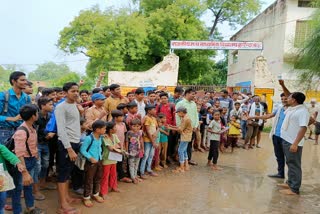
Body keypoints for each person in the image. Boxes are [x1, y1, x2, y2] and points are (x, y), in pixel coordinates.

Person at [12, 104, 45, 214]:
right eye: (37, 113)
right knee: (18, 188)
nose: (38, 114)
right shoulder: (22, 131)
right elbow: (19, 153)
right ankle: (17, 211)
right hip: (23, 163)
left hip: (30, 160)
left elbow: (31, 145)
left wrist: (35, 155)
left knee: (28, 186)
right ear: (33, 116)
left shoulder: (32, 128)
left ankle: (30, 208)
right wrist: (24, 172)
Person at [54, 82, 81, 214]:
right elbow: (61, 130)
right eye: (73, 91)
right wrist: (69, 149)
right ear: (65, 93)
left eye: (77, 91)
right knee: (63, 174)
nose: (76, 93)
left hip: (75, 142)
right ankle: (62, 205)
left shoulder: (74, 104)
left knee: (68, 172)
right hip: (67, 144)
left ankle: (67, 198)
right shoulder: (61, 107)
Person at [249, 92, 288, 179]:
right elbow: (269, 115)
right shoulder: (280, 108)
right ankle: (281, 173)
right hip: (276, 135)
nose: (283, 100)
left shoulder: (293, 110)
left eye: (285, 98)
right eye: (282, 99)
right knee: (279, 156)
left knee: (290, 159)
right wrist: (252, 117)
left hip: (287, 138)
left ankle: (291, 180)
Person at [278, 92, 309, 195]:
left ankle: (294, 189)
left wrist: (295, 143)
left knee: (294, 165)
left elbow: (303, 127)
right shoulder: (292, 109)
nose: (287, 99)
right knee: (290, 163)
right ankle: (290, 183)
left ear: (294, 100)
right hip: (287, 140)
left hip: (293, 142)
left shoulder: (302, 111)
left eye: (289, 98)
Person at [33, 97, 55, 201]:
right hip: (37, 144)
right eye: (50, 104)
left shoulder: (50, 116)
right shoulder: (36, 117)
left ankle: (42, 183)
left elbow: (53, 127)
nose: (52, 106)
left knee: (45, 164)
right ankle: (35, 190)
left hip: (46, 143)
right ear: (42, 106)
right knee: (37, 166)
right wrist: (45, 137)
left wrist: (52, 133)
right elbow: (33, 133)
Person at [0, 71, 31, 145]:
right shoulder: (3, 96)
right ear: (13, 81)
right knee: (6, 155)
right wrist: (13, 119)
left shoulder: (27, 98)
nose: (25, 82)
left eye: (25, 80)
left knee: (20, 155)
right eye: (22, 80)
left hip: (21, 130)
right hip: (5, 131)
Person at [80, 120, 105, 208]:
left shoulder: (101, 138)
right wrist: (90, 158)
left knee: (98, 178)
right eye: (104, 129)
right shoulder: (89, 138)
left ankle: (95, 194)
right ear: (98, 129)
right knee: (88, 179)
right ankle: (86, 197)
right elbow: (82, 150)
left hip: (99, 161)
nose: (105, 130)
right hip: (91, 162)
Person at [175, 88, 199, 166]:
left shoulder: (194, 104)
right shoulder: (180, 103)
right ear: (187, 93)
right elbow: (177, 116)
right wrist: (179, 127)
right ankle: (181, 161)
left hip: (192, 128)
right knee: (182, 145)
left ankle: (188, 160)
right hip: (183, 128)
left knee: (189, 144)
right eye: (193, 94)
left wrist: (196, 125)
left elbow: (196, 115)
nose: (194, 96)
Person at [0, 144, 25, 213]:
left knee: (1, 202)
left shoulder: (1, 147)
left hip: (1, 180)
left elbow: (9, 155)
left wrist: (18, 163)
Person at [168, 107, 193, 173]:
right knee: (184, 151)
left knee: (180, 151)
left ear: (181, 112)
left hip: (185, 137)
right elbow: (181, 127)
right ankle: (186, 165)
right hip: (187, 136)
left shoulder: (185, 119)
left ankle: (182, 168)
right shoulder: (186, 117)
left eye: (178, 113)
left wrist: (170, 128)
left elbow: (180, 129)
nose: (177, 114)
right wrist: (171, 126)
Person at [100, 122, 121, 198]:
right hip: (107, 158)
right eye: (115, 127)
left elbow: (118, 145)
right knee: (105, 176)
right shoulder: (104, 137)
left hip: (114, 157)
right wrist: (118, 149)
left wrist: (118, 148)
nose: (116, 128)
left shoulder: (114, 135)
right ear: (110, 130)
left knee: (113, 174)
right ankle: (103, 192)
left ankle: (113, 187)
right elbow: (110, 148)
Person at [111, 110, 131, 183]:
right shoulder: (112, 125)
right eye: (121, 116)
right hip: (114, 146)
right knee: (114, 162)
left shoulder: (123, 124)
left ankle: (120, 176)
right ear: (115, 118)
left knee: (120, 161)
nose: (123, 118)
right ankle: (116, 177)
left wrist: (124, 146)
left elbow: (124, 134)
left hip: (121, 145)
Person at [140, 104, 158, 179]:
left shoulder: (154, 118)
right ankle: (142, 172)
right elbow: (147, 131)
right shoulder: (146, 118)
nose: (155, 111)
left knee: (151, 155)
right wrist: (153, 141)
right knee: (146, 156)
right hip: (147, 140)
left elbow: (157, 128)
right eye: (153, 109)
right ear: (148, 111)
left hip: (153, 139)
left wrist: (155, 136)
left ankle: (148, 169)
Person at [126, 119, 144, 184]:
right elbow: (127, 141)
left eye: (138, 126)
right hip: (131, 150)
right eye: (134, 126)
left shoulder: (140, 132)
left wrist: (142, 148)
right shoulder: (129, 133)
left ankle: (135, 175)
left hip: (138, 150)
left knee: (137, 163)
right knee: (131, 164)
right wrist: (126, 150)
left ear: (140, 126)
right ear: (130, 126)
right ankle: (132, 177)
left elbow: (141, 140)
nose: (136, 127)